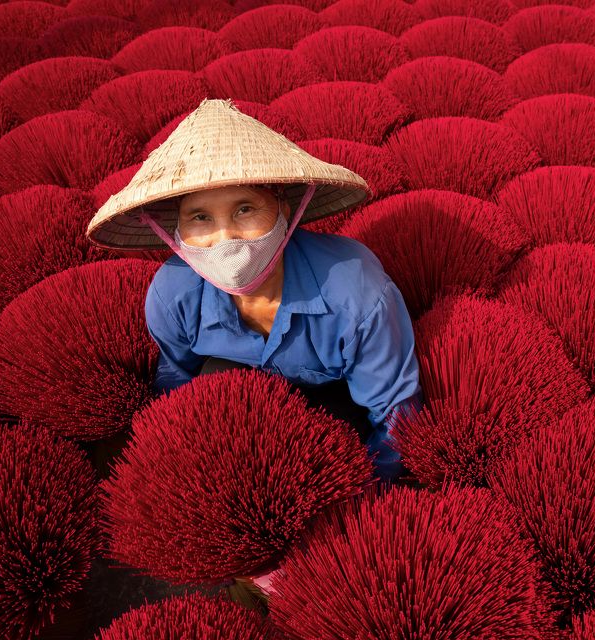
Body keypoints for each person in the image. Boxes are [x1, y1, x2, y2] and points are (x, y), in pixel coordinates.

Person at [86, 98, 424, 607]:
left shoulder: (357, 295)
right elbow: (176, 385)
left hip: (341, 419)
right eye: (200, 217)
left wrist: (349, 517)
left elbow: (395, 415)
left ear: (285, 210)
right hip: (249, 417)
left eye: (245, 208)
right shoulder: (172, 295)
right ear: (174, 234)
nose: (225, 238)